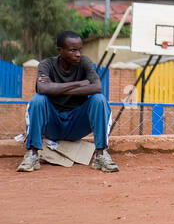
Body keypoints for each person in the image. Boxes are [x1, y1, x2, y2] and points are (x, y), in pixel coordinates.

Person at [18, 31, 118, 173]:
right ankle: (32, 154)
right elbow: (42, 88)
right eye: (73, 50)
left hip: (76, 123)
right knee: (38, 100)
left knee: (99, 100)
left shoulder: (84, 62)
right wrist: (81, 84)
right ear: (60, 50)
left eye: (80, 50)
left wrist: (55, 88)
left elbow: (97, 87)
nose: (78, 54)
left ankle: (101, 154)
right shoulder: (47, 64)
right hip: (52, 123)